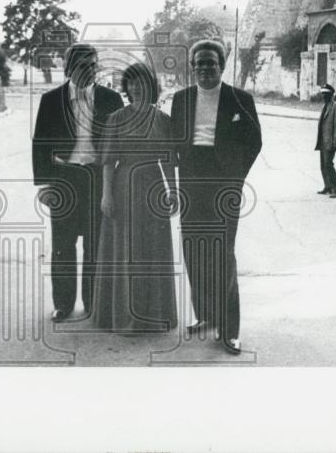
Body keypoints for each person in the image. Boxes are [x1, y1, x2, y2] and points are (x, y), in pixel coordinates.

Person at [170, 39, 262, 354]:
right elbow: (173, 143)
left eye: (212, 62)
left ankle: (229, 330)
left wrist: (236, 178)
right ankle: (206, 315)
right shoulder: (181, 99)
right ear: (192, 67)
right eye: (200, 63)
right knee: (194, 251)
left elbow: (254, 142)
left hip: (225, 183)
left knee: (222, 255)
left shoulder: (240, 99)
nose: (206, 68)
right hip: (191, 180)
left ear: (221, 65)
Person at [32, 43, 124, 321]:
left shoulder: (110, 99)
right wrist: (45, 185)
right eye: (83, 65)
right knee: (63, 244)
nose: (90, 71)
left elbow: (120, 143)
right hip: (64, 179)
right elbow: (40, 144)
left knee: (96, 244)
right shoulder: (51, 100)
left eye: (94, 65)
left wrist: (115, 184)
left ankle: (94, 303)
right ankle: (63, 303)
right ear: (69, 68)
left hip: (98, 178)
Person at [92, 62, 177, 333]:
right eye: (132, 82)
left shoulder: (163, 119)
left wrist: (172, 190)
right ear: (127, 87)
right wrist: (106, 194)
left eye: (143, 82)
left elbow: (168, 160)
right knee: (124, 251)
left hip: (153, 189)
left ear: (151, 86)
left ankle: (153, 316)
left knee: (153, 251)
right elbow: (107, 161)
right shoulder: (116, 118)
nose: (137, 87)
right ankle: (120, 317)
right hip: (123, 187)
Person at [315, 84, 336, 198]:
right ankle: (327, 186)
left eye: (325, 94)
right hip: (322, 140)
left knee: (328, 164)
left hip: (330, 141)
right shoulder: (325, 106)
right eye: (322, 94)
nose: (323, 96)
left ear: (331, 95)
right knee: (323, 165)